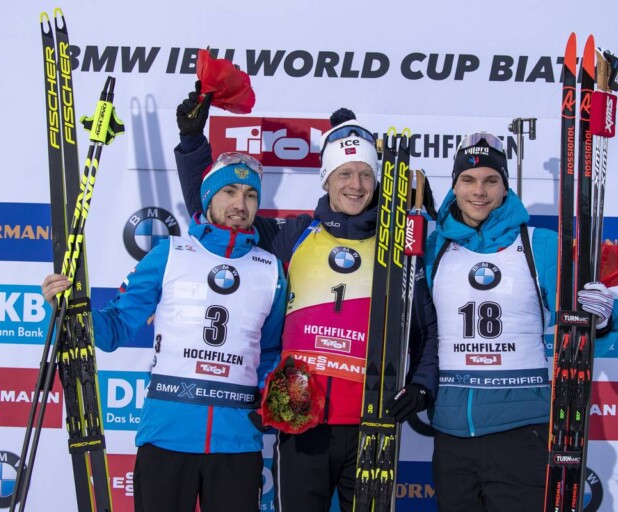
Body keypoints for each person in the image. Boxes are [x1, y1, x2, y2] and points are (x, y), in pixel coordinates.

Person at [174, 91, 438, 512]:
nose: (355, 185)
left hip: (372, 422)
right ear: (326, 178)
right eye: (344, 173)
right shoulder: (293, 235)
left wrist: (422, 386)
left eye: (365, 174)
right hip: (300, 419)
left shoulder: (398, 247)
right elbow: (219, 217)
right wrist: (192, 145)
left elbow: (427, 329)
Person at [42, 152, 287, 512]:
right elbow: (114, 329)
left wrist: (267, 401)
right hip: (166, 437)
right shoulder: (169, 254)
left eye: (250, 195)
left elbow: (271, 352)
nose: (240, 203)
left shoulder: (271, 270)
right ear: (208, 197)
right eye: (229, 191)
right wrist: (70, 310)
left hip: (237, 443)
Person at [424, 132, 618, 512]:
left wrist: (600, 320)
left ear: (505, 186)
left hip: (522, 428)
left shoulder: (539, 244)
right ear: (454, 185)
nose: (479, 191)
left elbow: (584, 327)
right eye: (468, 179)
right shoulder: (434, 249)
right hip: (451, 431)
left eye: (490, 180)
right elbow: (422, 330)